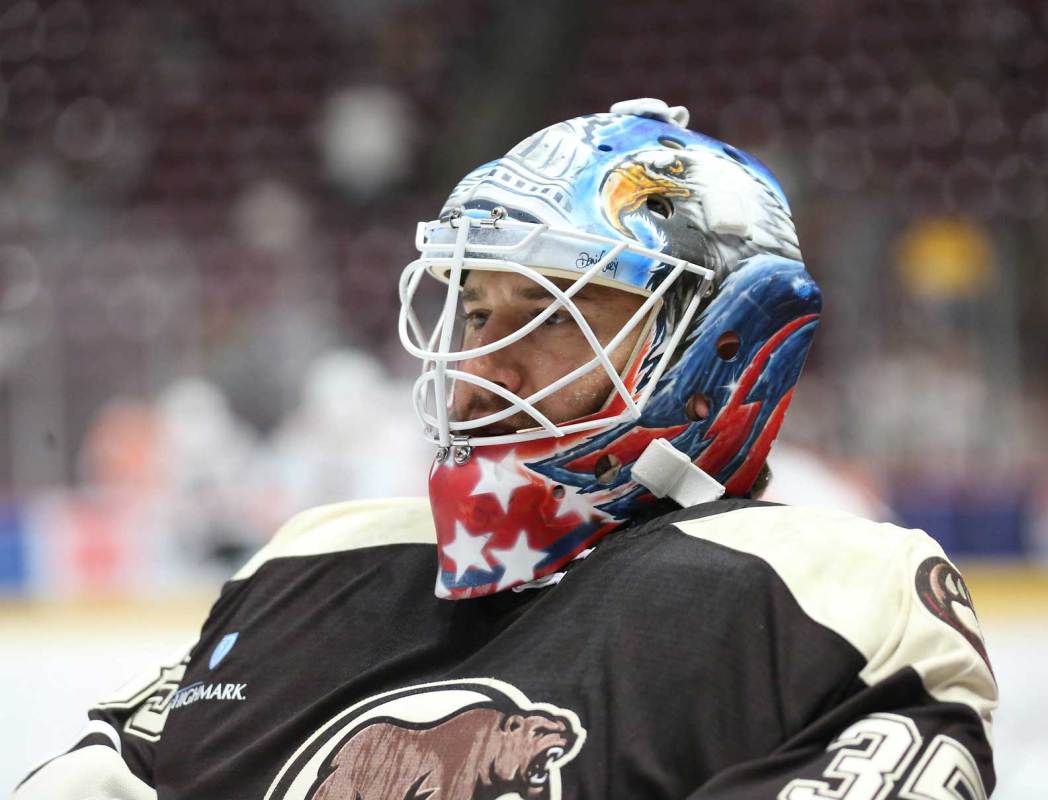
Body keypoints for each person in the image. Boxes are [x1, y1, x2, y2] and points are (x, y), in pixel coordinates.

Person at [14, 98, 997, 800]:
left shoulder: (828, 597)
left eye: (551, 315)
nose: (478, 366)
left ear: (717, 346)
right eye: (476, 312)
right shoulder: (310, 561)